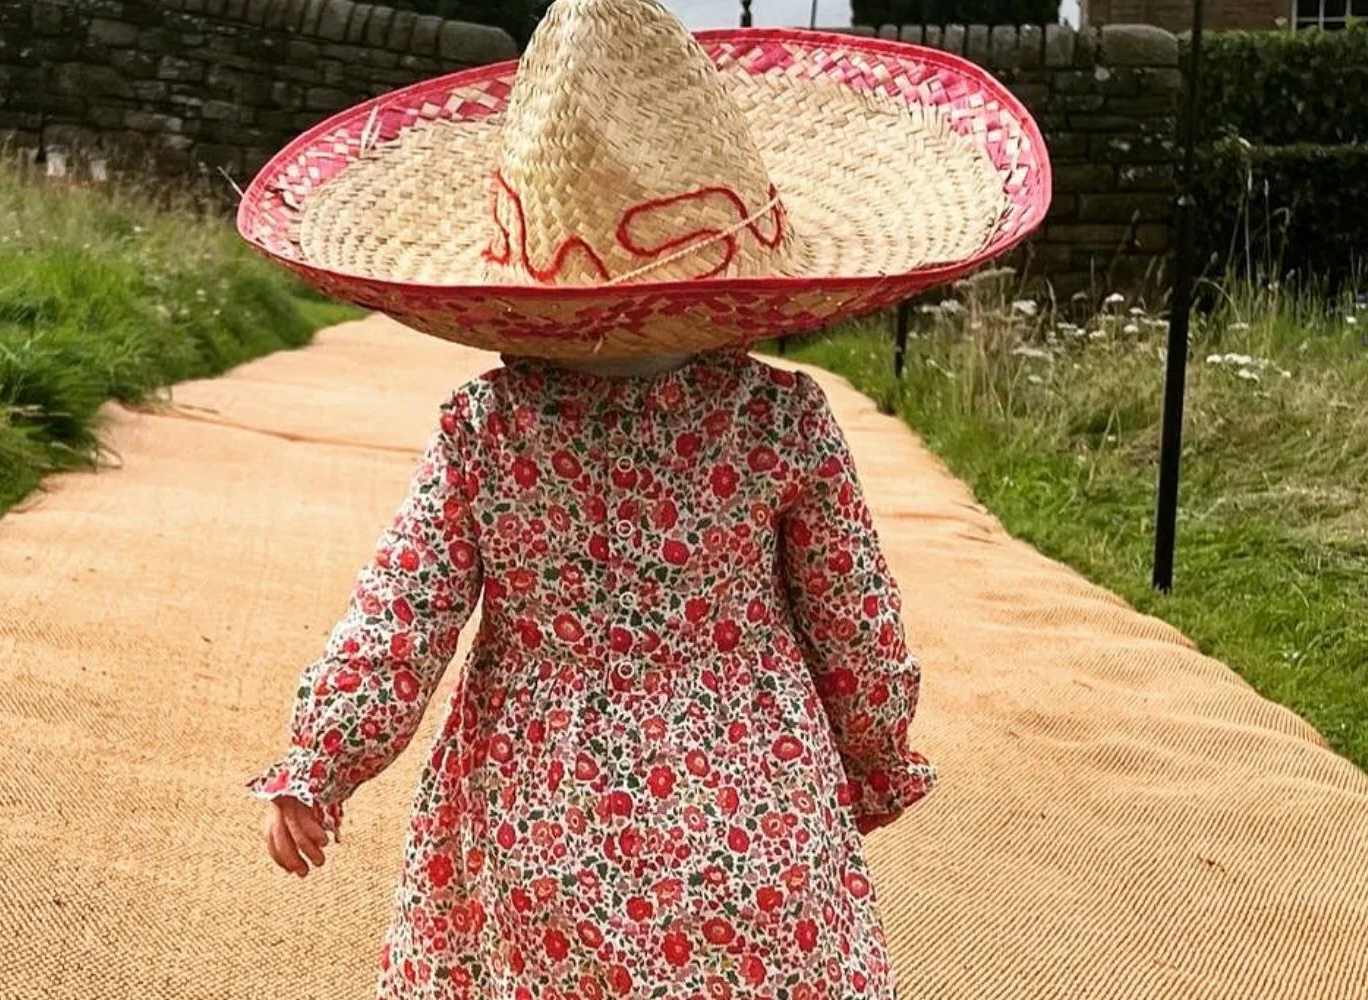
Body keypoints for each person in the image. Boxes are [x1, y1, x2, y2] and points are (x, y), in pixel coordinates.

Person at [240, 1, 1048, 997]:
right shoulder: (780, 420)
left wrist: (323, 760)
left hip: (536, 819)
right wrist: (877, 753)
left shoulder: (486, 430)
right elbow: (857, 621)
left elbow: (401, 613)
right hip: (758, 813)